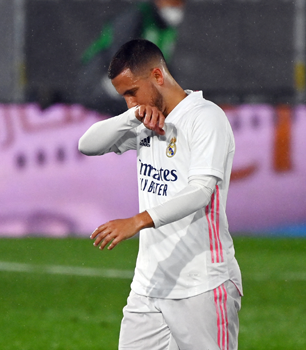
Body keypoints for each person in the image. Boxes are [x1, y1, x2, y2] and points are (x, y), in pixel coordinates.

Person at [78, 39, 242, 350]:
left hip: (201, 284)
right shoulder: (143, 121)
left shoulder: (206, 117)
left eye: (131, 93)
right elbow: (87, 145)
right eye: (123, 96)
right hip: (148, 287)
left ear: (157, 76)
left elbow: (201, 192)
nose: (129, 102)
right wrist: (132, 117)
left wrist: (137, 221)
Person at [76, 0, 186, 115]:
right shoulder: (135, 17)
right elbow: (118, 50)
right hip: (101, 75)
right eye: (172, 2)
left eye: (180, 3)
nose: (176, 7)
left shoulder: (167, 29)